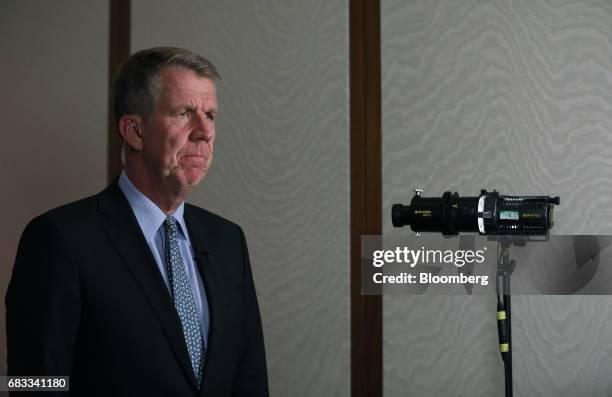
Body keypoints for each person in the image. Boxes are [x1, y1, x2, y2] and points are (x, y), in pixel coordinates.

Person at [5, 47, 269, 396]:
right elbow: (32, 384)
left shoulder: (228, 240)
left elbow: (250, 381)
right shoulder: (59, 238)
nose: (205, 131)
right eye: (184, 113)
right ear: (134, 131)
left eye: (210, 114)